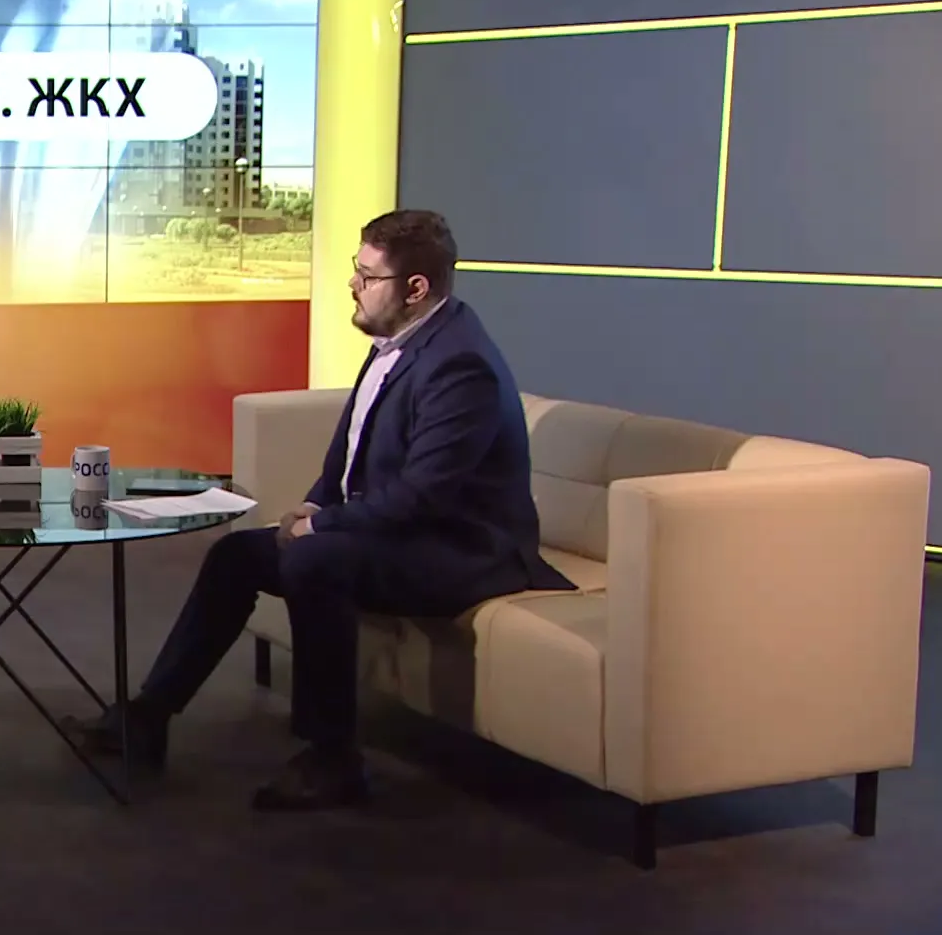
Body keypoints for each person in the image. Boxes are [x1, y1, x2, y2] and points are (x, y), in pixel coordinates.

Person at [62, 209, 574, 811]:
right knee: (236, 555)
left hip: (465, 552)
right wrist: (318, 499)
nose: (353, 285)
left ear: (415, 288)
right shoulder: (401, 337)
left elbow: (423, 495)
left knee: (315, 560)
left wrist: (322, 525)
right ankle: (148, 718)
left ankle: (333, 758)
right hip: (406, 534)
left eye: (367, 276)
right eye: (356, 270)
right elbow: (354, 446)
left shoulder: (461, 367)